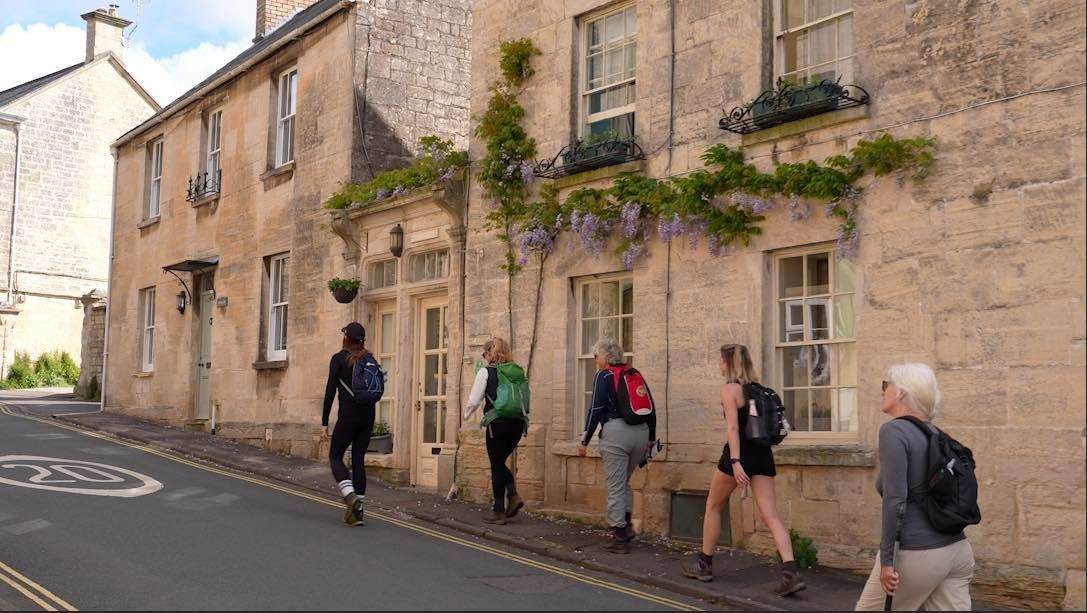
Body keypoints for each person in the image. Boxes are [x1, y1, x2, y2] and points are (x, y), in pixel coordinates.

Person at [682, 343, 805, 596]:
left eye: (720, 360)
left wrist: (736, 462)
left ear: (728, 363)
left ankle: (704, 565)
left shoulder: (729, 389)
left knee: (714, 506)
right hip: (763, 455)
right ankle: (790, 573)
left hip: (740, 454)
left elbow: (733, 429)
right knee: (771, 516)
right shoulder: (760, 390)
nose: (719, 364)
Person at [855, 363, 974, 611]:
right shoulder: (935, 433)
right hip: (958, 551)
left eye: (886, 385)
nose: (882, 391)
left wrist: (887, 561)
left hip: (918, 553)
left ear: (901, 393)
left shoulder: (893, 431)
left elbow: (895, 500)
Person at [577, 338, 655, 554]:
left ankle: (619, 536)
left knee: (615, 485)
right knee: (623, 482)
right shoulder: (634, 373)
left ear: (604, 357)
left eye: (596, 355)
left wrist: (585, 440)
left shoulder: (604, 376)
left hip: (616, 435)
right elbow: (651, 407)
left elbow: (596, 410)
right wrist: (651, 437)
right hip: (641, 434)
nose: (595, 359)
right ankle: (627, 525)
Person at [464, 337, 525, 525]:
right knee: (499, 463)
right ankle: (512, 497)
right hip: (518, 424)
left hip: (497, 423)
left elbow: (474, 400)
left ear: (490, 353)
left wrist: (466, 415)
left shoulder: (486, 371)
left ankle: (499, 511)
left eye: (485, 354)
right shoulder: (516, 371)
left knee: (496, 464)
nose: (484, 357)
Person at [321, 322, 374, 526]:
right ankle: (357, 512)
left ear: (346, 339)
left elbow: (330, 392)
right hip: (368, 416)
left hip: (348, 416)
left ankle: (349, 495)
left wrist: (325, 422)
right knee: (359, 458)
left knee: (335, 455)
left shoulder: (338, 359)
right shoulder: (370, 359)